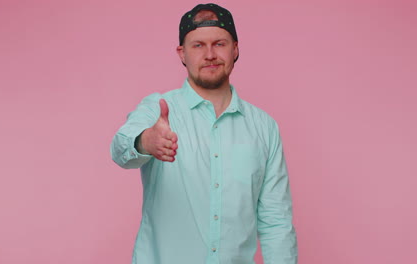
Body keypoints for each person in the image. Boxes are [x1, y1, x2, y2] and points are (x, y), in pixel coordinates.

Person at [111, 3, 298, 264]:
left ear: (235, 49)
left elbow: (276, 221)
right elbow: (120, 150)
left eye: (219, 44)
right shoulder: (157, 110)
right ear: (182, 53)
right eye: (198, 45)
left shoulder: (264, 127)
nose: (210, 54)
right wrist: (145, 141)